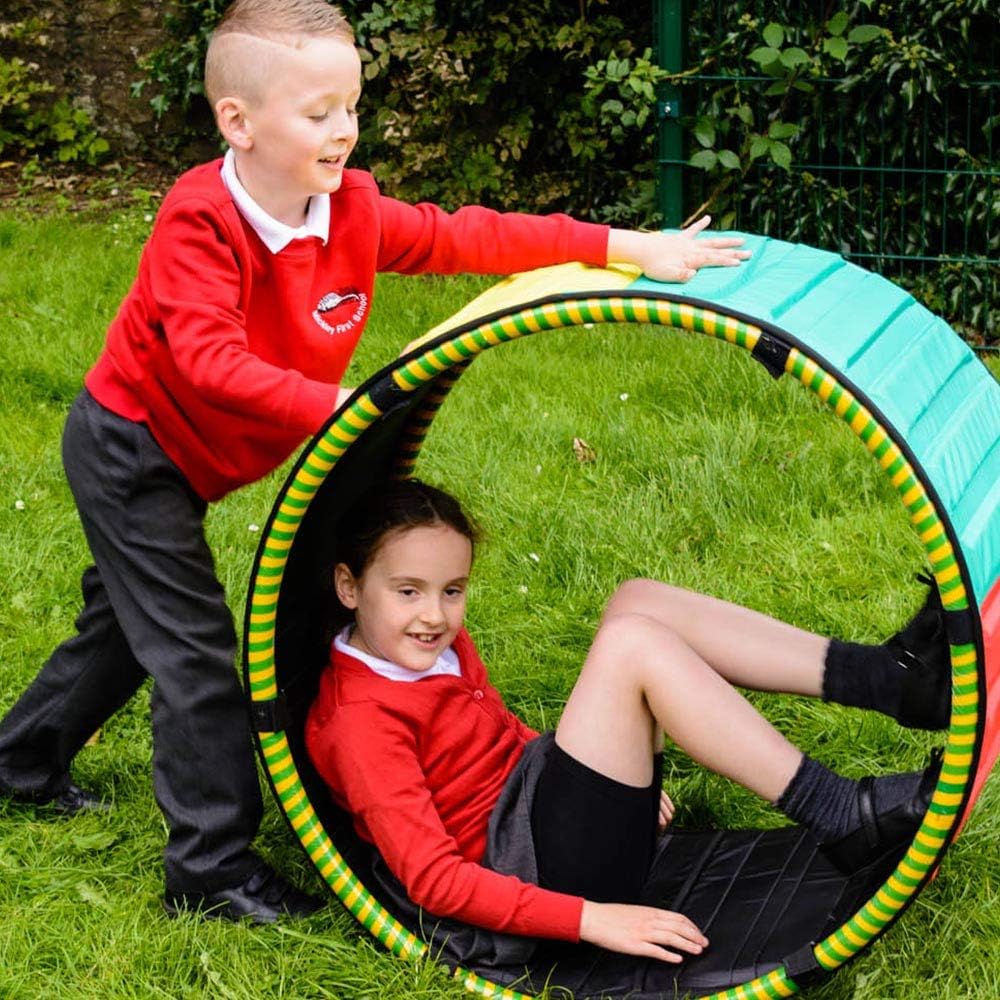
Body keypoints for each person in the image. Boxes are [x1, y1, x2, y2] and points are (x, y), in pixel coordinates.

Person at [0, 0, 752, 925]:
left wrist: (622, 245)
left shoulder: (349, 209)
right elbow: (207, 361)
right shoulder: (201, 222)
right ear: (238, 122)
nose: (345, 129)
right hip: (135, 450)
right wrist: (342, 407)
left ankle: (19, 763)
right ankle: (209, 866)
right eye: (318, 112)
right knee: (192, 655)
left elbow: (466, 236)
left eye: (352, 106)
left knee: (127, 624)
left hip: (200, 453)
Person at [305, 478, 949, 965]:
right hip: (533, 881)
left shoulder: (425, 648)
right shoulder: (359, 724)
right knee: (631, 645)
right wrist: (593, 919)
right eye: (408, 591)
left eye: (453, 590)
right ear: (348, 586)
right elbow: (435, 882)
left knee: (635, 600)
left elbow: (494, 737)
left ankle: (891, 678)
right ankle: (839, 812)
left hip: (542, 816)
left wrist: (608, 780)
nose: (435, 615)